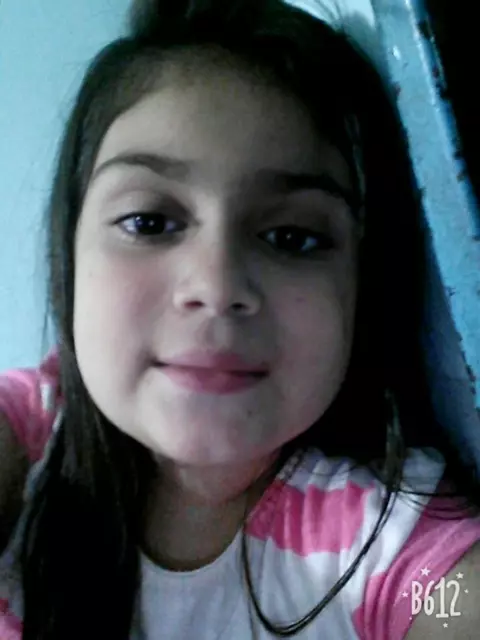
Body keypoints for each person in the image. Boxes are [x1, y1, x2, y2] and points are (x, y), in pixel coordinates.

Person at [1, 0, 479, 638]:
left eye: (291, 237)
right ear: (70, 252)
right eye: (149, 222)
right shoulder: (29, 435)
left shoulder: (386, 539)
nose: (217, 286)